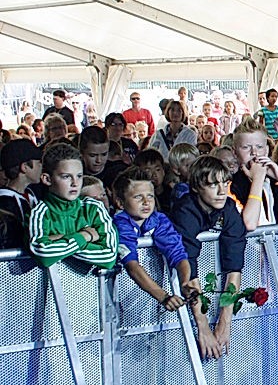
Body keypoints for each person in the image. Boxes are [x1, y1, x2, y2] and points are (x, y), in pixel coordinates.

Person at [171, 155, 247, 359]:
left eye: (225, 183)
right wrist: (202, 327)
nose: (222, 191)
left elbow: (235, 265)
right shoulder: (185, 210)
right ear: (196, 187)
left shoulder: (229, 207)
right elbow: (188, 266)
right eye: (213, 185)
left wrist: (225, 321)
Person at [112, 167, 193, 311]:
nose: (146, 202)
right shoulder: (120, 224)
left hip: (150, 300)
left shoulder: (159, 219)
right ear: (120, 202)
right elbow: (132, 265)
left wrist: (185, 283)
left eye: (150, 196)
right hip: (118, 298)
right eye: (138, 197)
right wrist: (164, 297)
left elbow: (177, 253)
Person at [29, 143, 118, 269]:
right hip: (50, 288)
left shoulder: (94, 208)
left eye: (79, 176)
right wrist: (84, 236)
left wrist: (59, 243)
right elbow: (43, 253)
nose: (75, 183)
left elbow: (108, 256)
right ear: (47, 179)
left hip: (93, 288)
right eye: (66, 177)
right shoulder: (39, 212)